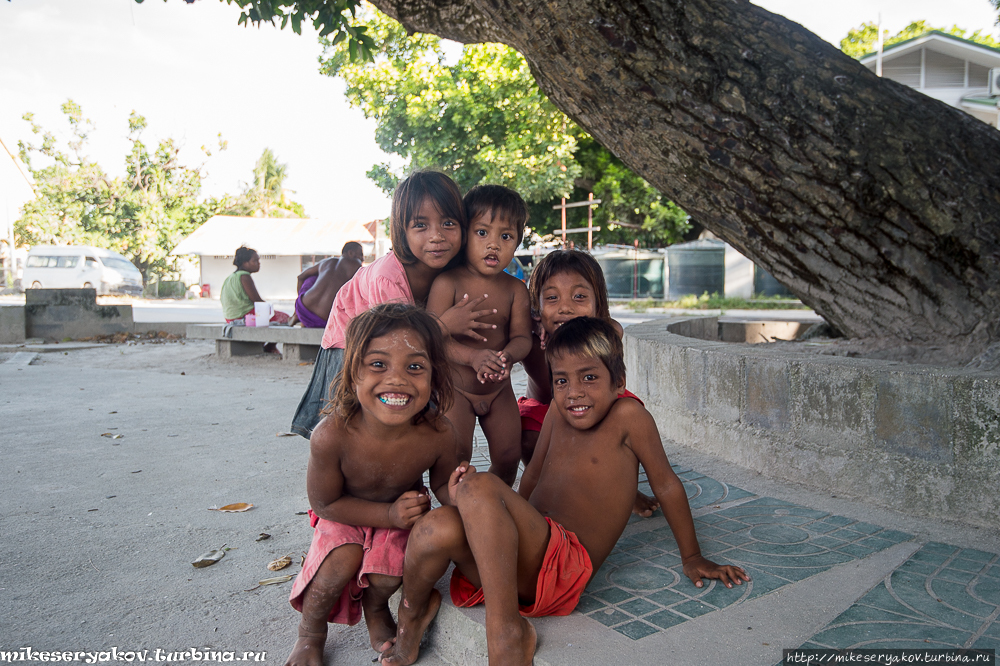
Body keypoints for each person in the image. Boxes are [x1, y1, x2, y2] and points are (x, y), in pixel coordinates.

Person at [379, 318, 750, 666]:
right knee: (435, 526)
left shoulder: (629, 418)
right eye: (561, 381)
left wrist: (693, 556)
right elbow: (533, 475)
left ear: (618, 381)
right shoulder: (557, 412)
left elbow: (666, 485)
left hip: (565, 568)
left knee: (479, 485)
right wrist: (488, 515)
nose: (574, 393)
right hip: (519, 562)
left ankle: (506, 629)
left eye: (589, 377)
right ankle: (413, 611)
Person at [285, 303, 464, 666]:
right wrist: (388, 514)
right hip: (344, 514)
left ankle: (376, 607)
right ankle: (311, 632)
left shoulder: (438, 433)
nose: (397, 379)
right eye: (378, 364)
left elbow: (443, 485)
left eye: (414, 367)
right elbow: (326, 505)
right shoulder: (331, 436)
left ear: (434, 377)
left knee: (386, 573)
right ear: (352, 375)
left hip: (398, 518)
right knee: (341, 560)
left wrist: (462, 492)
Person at [289, 170, 497, 439]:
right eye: (421, 225)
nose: (437, 236)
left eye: (448, 223)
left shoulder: (451, 266)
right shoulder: (387, 276)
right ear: (402, 230)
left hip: (407, 338)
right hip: (351, 338)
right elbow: (396, 340)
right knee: (353, 421)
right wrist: (445, 325)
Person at [518, 249, 659, 515]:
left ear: (598, 304)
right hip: (544, 410)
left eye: (579, 297)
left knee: (629, 419)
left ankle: (625, 490)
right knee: (525, 434)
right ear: (537, 310)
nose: (565, 307)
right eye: (551, 298)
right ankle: (552, 484)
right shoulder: (528, 338)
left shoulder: (608, 333)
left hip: (595, 405)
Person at [427, 185, 532, 486]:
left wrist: (507, 356)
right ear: (464, 235)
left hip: (498, 390)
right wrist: (473, 357)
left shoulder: (515, 290)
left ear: (517, 242)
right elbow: (434, 338)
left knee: (509, 454)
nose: (494, 245)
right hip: (456, 391)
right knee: (457, 455)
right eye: (482, 232)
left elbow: (522, 337)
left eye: (506, 236)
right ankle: (457, 509)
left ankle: (492, 504)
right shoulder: (447, 283)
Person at [220, 246, 290, 353]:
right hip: (244, 316)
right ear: (245, 263)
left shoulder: (231, 277)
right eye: (255, 260)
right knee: (285, 318)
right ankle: (269, 346)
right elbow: (257, 301)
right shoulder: (244, 276)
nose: (258, 263)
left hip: (230, 317)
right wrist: (270, 309)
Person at [293, 242, 365, 328]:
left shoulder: (326, 262)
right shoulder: (356, 264)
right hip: (326, 319)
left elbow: (300, 277)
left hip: (304, 310)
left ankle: (296, 315)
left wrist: (298, 309)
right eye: (361, 255)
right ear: (350, 253)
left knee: (311, 278)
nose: (362, 259)